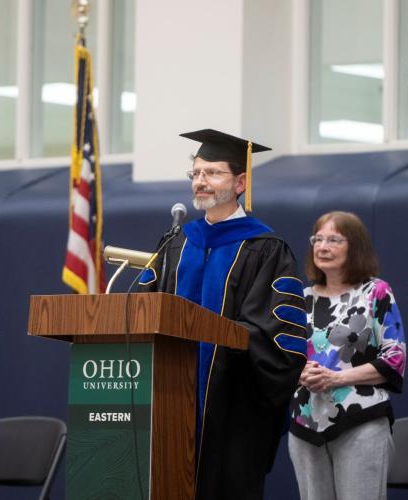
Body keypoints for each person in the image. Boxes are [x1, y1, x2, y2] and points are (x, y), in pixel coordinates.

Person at [138, 129, 307, 499]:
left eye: (212, 173)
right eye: (196, 173)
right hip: (168, 405)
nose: (201, 181)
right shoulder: (176, 243)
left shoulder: (266, 249)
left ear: (241, 182)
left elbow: (280, 335)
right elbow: (141, 308)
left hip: (233, 410)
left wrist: (222, 351)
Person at [288, 211, 406, 500]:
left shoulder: (375, 292)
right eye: (318, 239)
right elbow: (282, 357)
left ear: (355, 247)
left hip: (361, 420)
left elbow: (395, 359)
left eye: (334, 240)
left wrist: (334, 378)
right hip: (306, 422)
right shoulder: (299, 298)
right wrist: (298, 372)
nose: (322, 247)